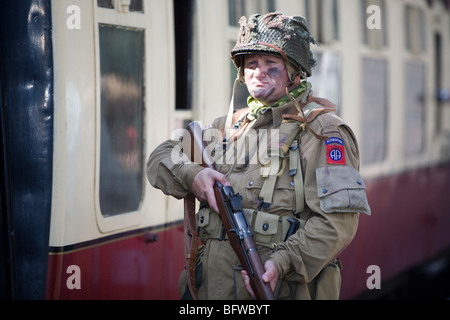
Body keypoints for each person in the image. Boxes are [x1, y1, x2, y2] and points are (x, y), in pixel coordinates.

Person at [147, 12, 371, 300]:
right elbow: (160, 157)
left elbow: (337, 223)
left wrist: (281, 263)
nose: (258, 72)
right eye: (251, 63)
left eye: (271, 65)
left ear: (294, 72)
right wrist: (194, 176)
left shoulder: (322, 133)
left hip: (280, 290)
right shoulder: (225, 128)